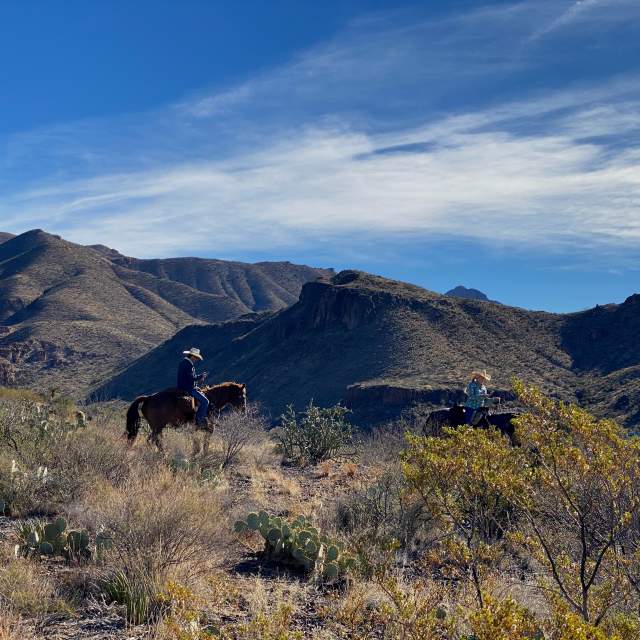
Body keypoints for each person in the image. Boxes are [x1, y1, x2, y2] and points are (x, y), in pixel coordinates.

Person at [177, 347, 209, 427]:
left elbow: (190, 377)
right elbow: (192, 378)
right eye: (196, 358)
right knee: (205, 402)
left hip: (183, 386)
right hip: (188, 388)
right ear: (192, 356)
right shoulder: (188, 365)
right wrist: (201, 376)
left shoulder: (184, 363)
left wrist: (198, 379)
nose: (197, 359)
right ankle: (199, 419)